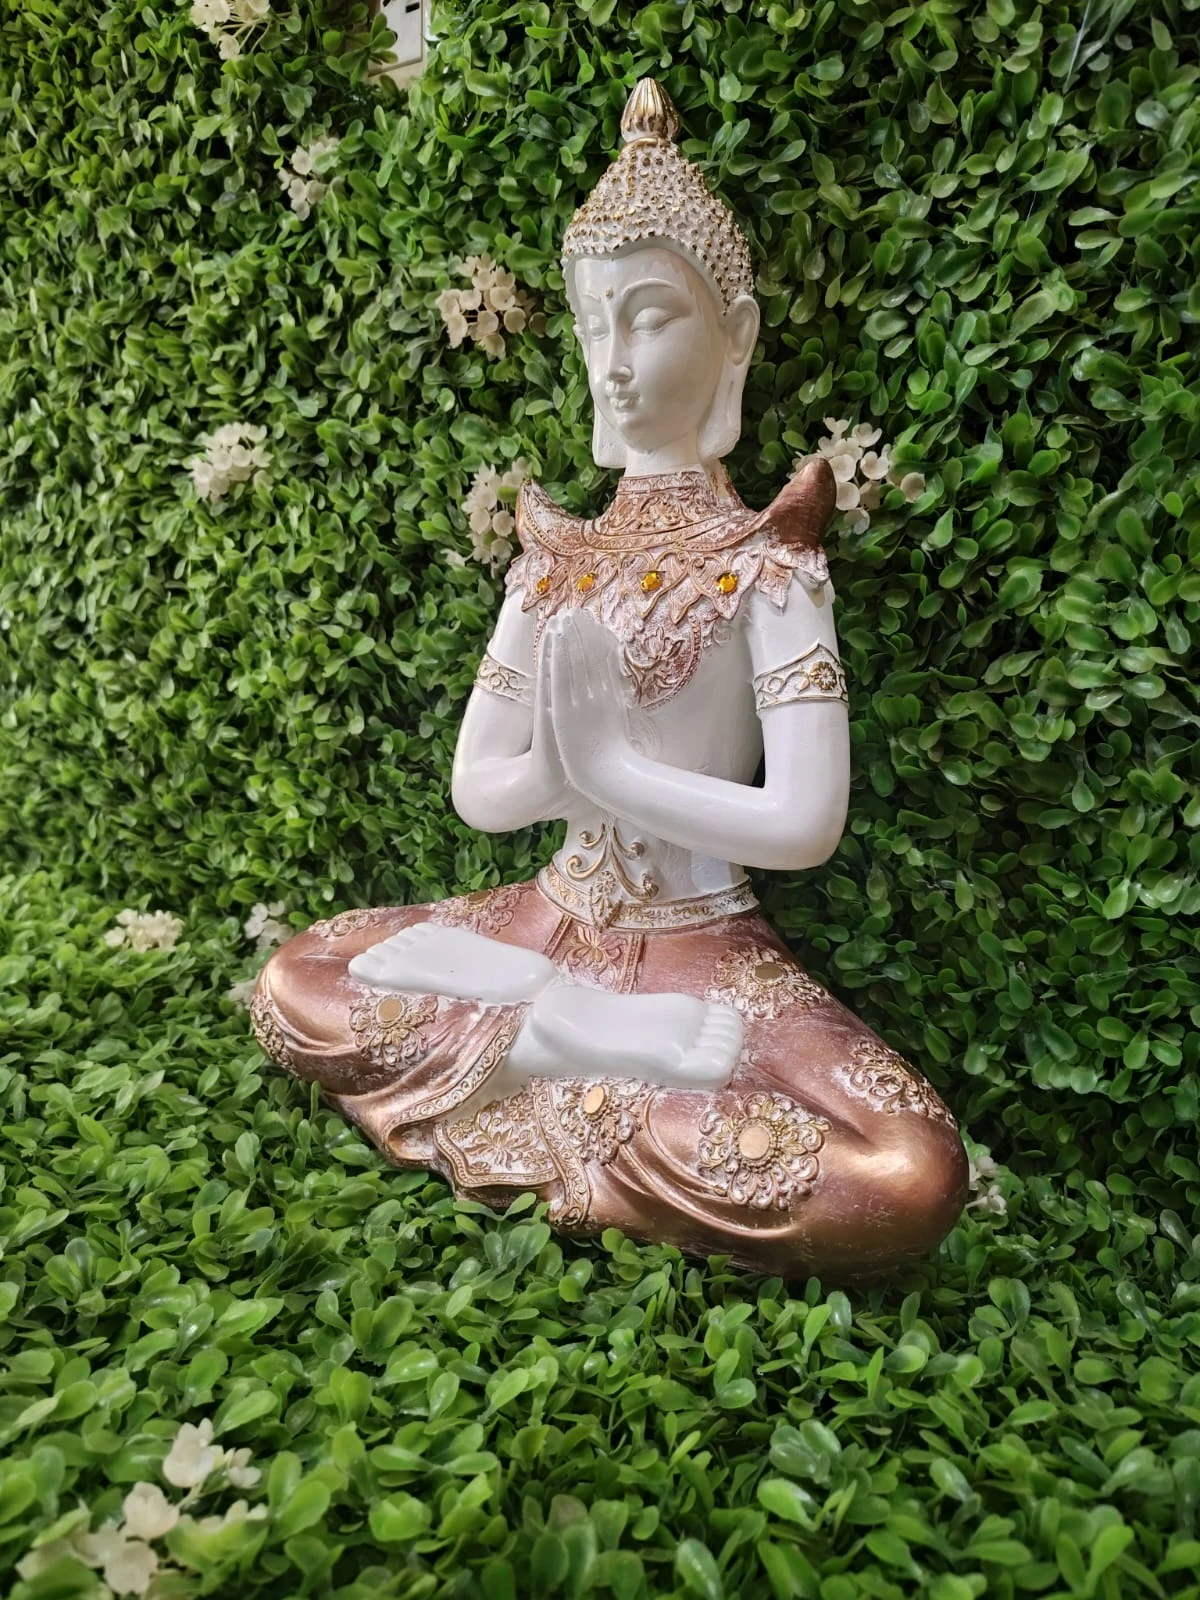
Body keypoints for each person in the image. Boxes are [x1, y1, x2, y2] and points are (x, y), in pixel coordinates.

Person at [251, 78, 968, 1282]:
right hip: (546, 915)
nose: (617, 364)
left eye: (650, 319)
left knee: (908, 1174)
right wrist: (560, 770)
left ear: (734, 338)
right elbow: (480, 790)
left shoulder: (770, 563)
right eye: (596, 327)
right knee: (295, 976)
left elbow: (805, 822)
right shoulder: (554, 560)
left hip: (706, 943)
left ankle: (537, 1054)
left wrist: (618, 771)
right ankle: (570, 1038)